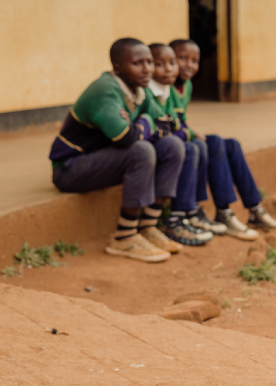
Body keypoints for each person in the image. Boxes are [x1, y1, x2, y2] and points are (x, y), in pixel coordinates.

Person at [49, 38, 185, 262]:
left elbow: (169, 124)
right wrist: (146, 124)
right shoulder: (106, 90)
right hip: (71, 167)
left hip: (104, 159)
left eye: (149, 62)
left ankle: (148, 226)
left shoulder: (139, 90)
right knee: (141, 150)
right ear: (118, 68)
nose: (147, 69)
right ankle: (124, 237)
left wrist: (142, 124)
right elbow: (125, 138)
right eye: (137, 63)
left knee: (172, 146)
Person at [168, 38, 276, 239]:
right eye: (182, 58)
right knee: (216, 142)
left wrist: (191, 132)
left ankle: (255, 208)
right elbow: (170, 124)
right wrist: (193, 134)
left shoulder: (186, 86)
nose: (189, 65)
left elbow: (181, 120)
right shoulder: (165, 87)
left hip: (183, 135)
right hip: (175, 141)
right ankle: (224, 211)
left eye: (195, 61)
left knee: (232, 144)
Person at [145, 43, 214, 246]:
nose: (169, 69)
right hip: (150, 148)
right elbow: (167, 127)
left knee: (204, 145)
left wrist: (183, 130)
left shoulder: (166, 89)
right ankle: (175, 218)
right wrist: (187, 132)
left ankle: (190, 210)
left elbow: (174, 122)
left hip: (162, 142)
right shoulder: (150, 92)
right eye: (160, 64)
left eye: (172, 63)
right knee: (189, 147)